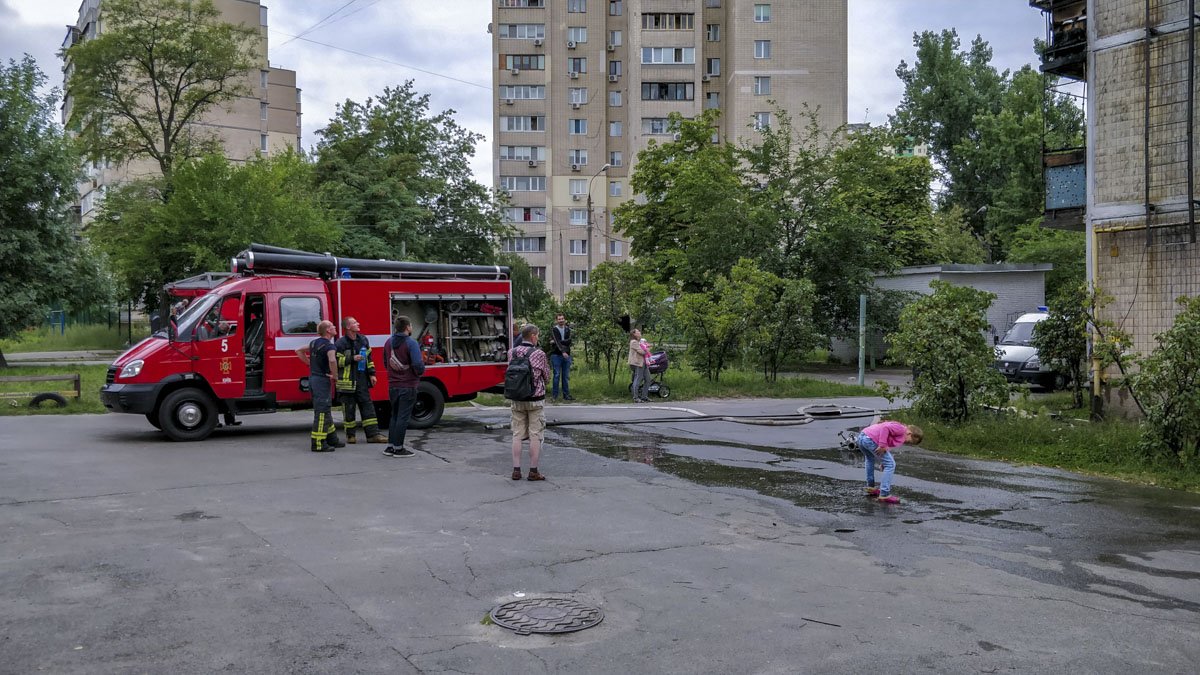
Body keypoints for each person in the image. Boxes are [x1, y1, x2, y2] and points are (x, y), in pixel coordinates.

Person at [335, 316, 388, 445]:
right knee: (349, 410)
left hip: (362, 380)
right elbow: (336, 362)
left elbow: (369, 359)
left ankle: (373, 435)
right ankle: (350, 436)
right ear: (348, 327)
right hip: (347, 383)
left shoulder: (363, 340)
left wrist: (372, 374)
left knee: (368, 407)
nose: (358, 324)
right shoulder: (340, 343)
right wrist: (352, 358)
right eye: (354, 323)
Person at [509, 323, 552, 481]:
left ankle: (516, 470)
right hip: (535, 399)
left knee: (517, 434)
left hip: (517, 399)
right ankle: (533, 471)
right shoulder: (538, 353)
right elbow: (546, 377)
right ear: (533, 336)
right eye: (537, 335)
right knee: (535, 434)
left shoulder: (511, 352)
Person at [295, 320, 344, 452]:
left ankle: (332, 439)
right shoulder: (330, 346)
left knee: (325, 410)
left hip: (313, 379)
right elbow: (332, 360)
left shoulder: (313, 343)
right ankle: (318, 443)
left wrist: (309, 363)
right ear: (328, 330)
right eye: (333, 326)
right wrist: (335, 376)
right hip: (322, 381)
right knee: (322, 412)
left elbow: (298, 350)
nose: (335, 328)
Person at [382, 315, 425, 458]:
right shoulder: (411, 343)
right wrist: (419, 373)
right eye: (411, 325)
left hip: (393, 385)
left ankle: (390, 446)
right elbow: (418, 364)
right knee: (403, 417)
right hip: (408, 385)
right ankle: (399, 449)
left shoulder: (388, 342)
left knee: (394, 415)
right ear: (407, 327)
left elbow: (385, 362)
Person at [854, 420, 923, 503]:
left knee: (870, 459)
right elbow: (885, 428)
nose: (908, 443)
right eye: (910, 441)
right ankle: (884, 494)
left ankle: (870, 487)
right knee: (891, 464)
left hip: (862, 437)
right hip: (870, 439)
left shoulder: (900, 431)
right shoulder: (901, 429)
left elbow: (887, 443)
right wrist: (882, 445)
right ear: (910, 433)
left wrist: (883, 461)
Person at [548, 313, 574, 401]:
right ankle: (554, 396)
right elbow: (556, 341)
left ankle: (566, 395)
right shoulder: (554, 329)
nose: (561, 320)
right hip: (556, 355)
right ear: (556, 320)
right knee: (556, 375)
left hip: (567, 355)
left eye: (562, 318)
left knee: (565, 376)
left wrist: (559, 342)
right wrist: (562, 351)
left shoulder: (568, 329)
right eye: (559, 319)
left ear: (564, 319)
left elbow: (569, 341)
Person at [628, 328, 650, 403]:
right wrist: (646, 349)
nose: (639, 332)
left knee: (648, 379)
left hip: (643, 363)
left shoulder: (639, 342)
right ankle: (635, 397)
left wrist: (646, 348)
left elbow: (644, 350)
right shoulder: (633, 342)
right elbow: (642, 352)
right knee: (638, 379)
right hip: (637, 363)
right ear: (634, 334)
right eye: (638, 331)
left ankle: (644, 396)